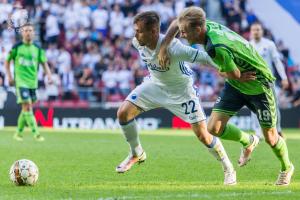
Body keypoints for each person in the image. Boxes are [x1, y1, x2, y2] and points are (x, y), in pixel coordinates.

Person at [158, 7, 294, 186]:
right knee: (213, 127)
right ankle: (248, 140)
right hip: (236, 85)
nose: (182, 35)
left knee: (271, 137)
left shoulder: (215, 47)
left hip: (258, 85)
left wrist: (224, 73)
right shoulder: (207, 26)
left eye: (184, 32)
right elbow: (177, 23)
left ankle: (286, 167)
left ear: (197, 29)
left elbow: (235, 73)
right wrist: (163, 48)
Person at [116, 11, 236, 185]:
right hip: (155, 86)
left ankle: (228, 168)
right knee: (123, 113)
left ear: (154, 32)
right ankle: (136, 153)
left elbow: (205, 57)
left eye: (139, 31)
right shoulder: (138, 43)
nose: (135, 35)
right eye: (135, 30)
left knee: (203, 135)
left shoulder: (175, 47)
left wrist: (230, 70)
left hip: (182, 92)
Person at [5, 23, 53, 142]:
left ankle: (18, 133)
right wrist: (10, 76)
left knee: (25, 108)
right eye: (26, 30)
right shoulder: (16, 47)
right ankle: (36, 133)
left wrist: (49, 76)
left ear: (34, 33)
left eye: (30, 30)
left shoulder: (37, 48)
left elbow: (44, 63)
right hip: (21, 82)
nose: (28, 33)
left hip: (33, 82)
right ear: (22, 33)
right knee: (27, 105)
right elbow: (7, 61)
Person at [249, 22, 289, 139]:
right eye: (254, 30)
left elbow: (277, 61)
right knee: (254, 107)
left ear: (262, 31)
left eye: (258, 29)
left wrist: (284, 77)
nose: (256, 32)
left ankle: (278, 129)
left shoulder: (269, 44)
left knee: (274, 106)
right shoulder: (248, 45)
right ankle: (257, 132)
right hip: (253, 81)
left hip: (268, 81)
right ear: (251, 32)